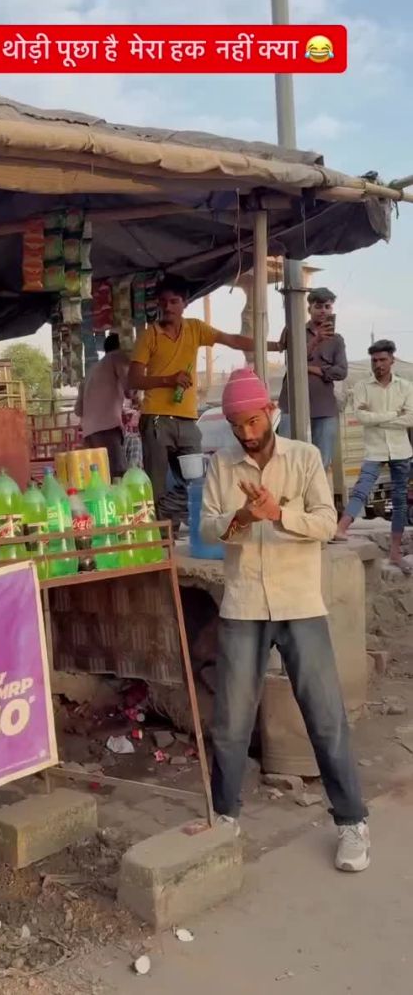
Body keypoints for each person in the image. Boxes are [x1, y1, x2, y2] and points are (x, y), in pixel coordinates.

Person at [200, 366, 370, 872]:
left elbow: (326, 524)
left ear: (270, 412)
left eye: (253, 422)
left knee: (325, 717)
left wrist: (277, 514)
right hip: (244, 605)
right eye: (237, 426)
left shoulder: (305, 457)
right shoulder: (222, 466)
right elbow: (207, 529)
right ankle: (224, 818)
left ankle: (352, 822)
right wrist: (241, 517)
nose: (246, 434)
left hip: (300, 604)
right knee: (231, 722)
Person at [128, 275, 282, 528]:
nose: (168, 307)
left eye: (174, 301)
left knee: (197, 481)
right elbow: (133, 379)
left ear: (184, 303)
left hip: (188, 420)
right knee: (157, 484)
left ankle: (194, 529)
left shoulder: (195, 328)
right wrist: (168, 380)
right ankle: (162, 536)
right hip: (156, 418)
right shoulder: (149, 336)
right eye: (163, 302)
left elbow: (232, 340)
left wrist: (275, 346)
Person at [335, 339, 413, 572]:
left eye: (382, 360)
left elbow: (410, 418)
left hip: (401, 450)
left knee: (399, 501)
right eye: (374, 360)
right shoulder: (362, 386)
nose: (378, 364)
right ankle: (341, 529)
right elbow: (361, 417)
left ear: (392, 360)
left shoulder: (405, 386)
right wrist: (393, 414)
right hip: (374, 449)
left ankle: (395, 553)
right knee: (361, 489)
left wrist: (377, 418)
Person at [278, 287, 347, 469]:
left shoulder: (337, 340)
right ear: (309, 308)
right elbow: (292, 361)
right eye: (318, 306)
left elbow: (341, 372)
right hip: (292, 403)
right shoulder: (294, 330)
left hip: (323, 404)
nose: (323, 311)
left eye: (327, 307)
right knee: (285, 456)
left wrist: (312, 369)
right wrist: (315, 341)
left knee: (321, 460)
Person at [74, 333, 131, 478]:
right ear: (122, 347)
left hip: (89, 432)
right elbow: (129, 389)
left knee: (98, 476)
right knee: (117, 475)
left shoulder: (91, 371)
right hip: (107, 428)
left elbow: (78, 410)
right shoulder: (117, 357)